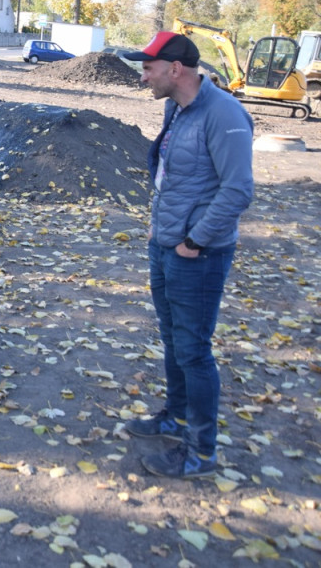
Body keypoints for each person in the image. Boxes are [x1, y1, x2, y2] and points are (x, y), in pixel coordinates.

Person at [121, 32, 254, 479]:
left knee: (194, 350)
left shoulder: (224, 114)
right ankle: (175, 418)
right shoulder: (174, 107)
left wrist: (193, 241)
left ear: (174, 68)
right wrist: (164, 229)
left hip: (198, 253)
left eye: (147, 67)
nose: (144, 76)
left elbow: (237, 190)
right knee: (173, 338)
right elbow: (171, 172)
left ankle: (201, 451)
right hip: (166, 244)